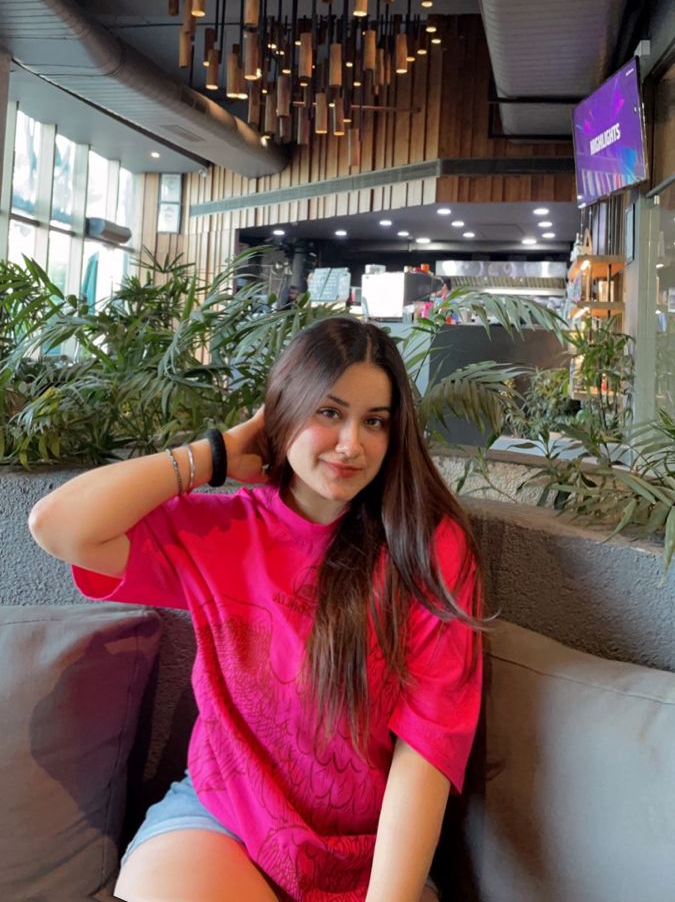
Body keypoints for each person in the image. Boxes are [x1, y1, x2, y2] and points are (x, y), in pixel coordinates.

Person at [28, 317, 484, 902]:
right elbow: (56, 526)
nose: (352, 443)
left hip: (364, 851)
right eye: (328, 412)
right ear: (284, 411)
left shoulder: (428, 549)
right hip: (221, 820)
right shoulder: (225, 530)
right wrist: (213, 455)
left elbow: (426, 751)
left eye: (374, 422)